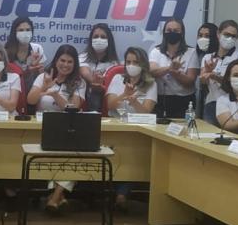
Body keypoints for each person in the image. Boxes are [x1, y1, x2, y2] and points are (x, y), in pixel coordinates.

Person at [27, 44, 87, 213]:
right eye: (62, 60)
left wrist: (54, 93)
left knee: (74, 157)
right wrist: (44, 87)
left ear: (75, 64)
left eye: (70, 62)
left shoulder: (79, 82)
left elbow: (73, 108)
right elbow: (30, 100)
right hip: (42, 127)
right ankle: (58, 196)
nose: (65, 65)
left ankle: (55, 196)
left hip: (67, 128)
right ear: (56, 60)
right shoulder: (44, 76)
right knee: (54, 157)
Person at [105, 46, 158, 210]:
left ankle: (122, 194)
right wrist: (124, 94)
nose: (131, 65)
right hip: (116, 126)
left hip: (137, 129)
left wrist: (134, 101)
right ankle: (117, 194)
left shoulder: (151, 84)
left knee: (133, 156)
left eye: (135, 62)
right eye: (128, 62)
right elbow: (110, 105)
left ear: (143, 64)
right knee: (116, 155)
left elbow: (147, 111)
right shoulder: (117, 79)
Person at [149, 18, 199, 118]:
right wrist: (170, 68)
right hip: (160, 99)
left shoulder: (191, 52)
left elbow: (190, 82)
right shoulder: (156, 51)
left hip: (184, 100)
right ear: (164, 32)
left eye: (176, 30)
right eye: (169, 30)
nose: (172, 33)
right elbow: (152, 72)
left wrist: (174, 73)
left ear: (182, 33)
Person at [199, 20, 238, 125]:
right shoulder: (208, 57)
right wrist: (206, 74)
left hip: (232, 104)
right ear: (218, 34)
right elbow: (203, 81)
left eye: (233, 36)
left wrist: (215, 76)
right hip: (212, 103)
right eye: (226, 34)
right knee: (209, 133)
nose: (229, 39)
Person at [4, 16, 45, 109]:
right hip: (13, 94)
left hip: (31, 93)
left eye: (28, 30)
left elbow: (41, 77)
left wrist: (37, 69)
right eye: (21, 30)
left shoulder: (37, 49)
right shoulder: (6, 51)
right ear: (14, 32)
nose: (25, 33)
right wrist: (27, 71)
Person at [79, 22, 120, 112]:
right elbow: (84, 71)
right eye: (96, 36)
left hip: (104, 97)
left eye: (103, 37)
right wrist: (95, 81)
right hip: (84, 96)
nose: (99, 39)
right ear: (91, 40)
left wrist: (101, 85)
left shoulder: (114, 63)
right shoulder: (82, 57)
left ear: (109, 40)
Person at [194, 22, 219, 111]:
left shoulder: (217, 56)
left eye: (207, 36)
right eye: (200, 35)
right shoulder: (196, 54)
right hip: (199, 95)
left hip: (214, 97)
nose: (203, 39)